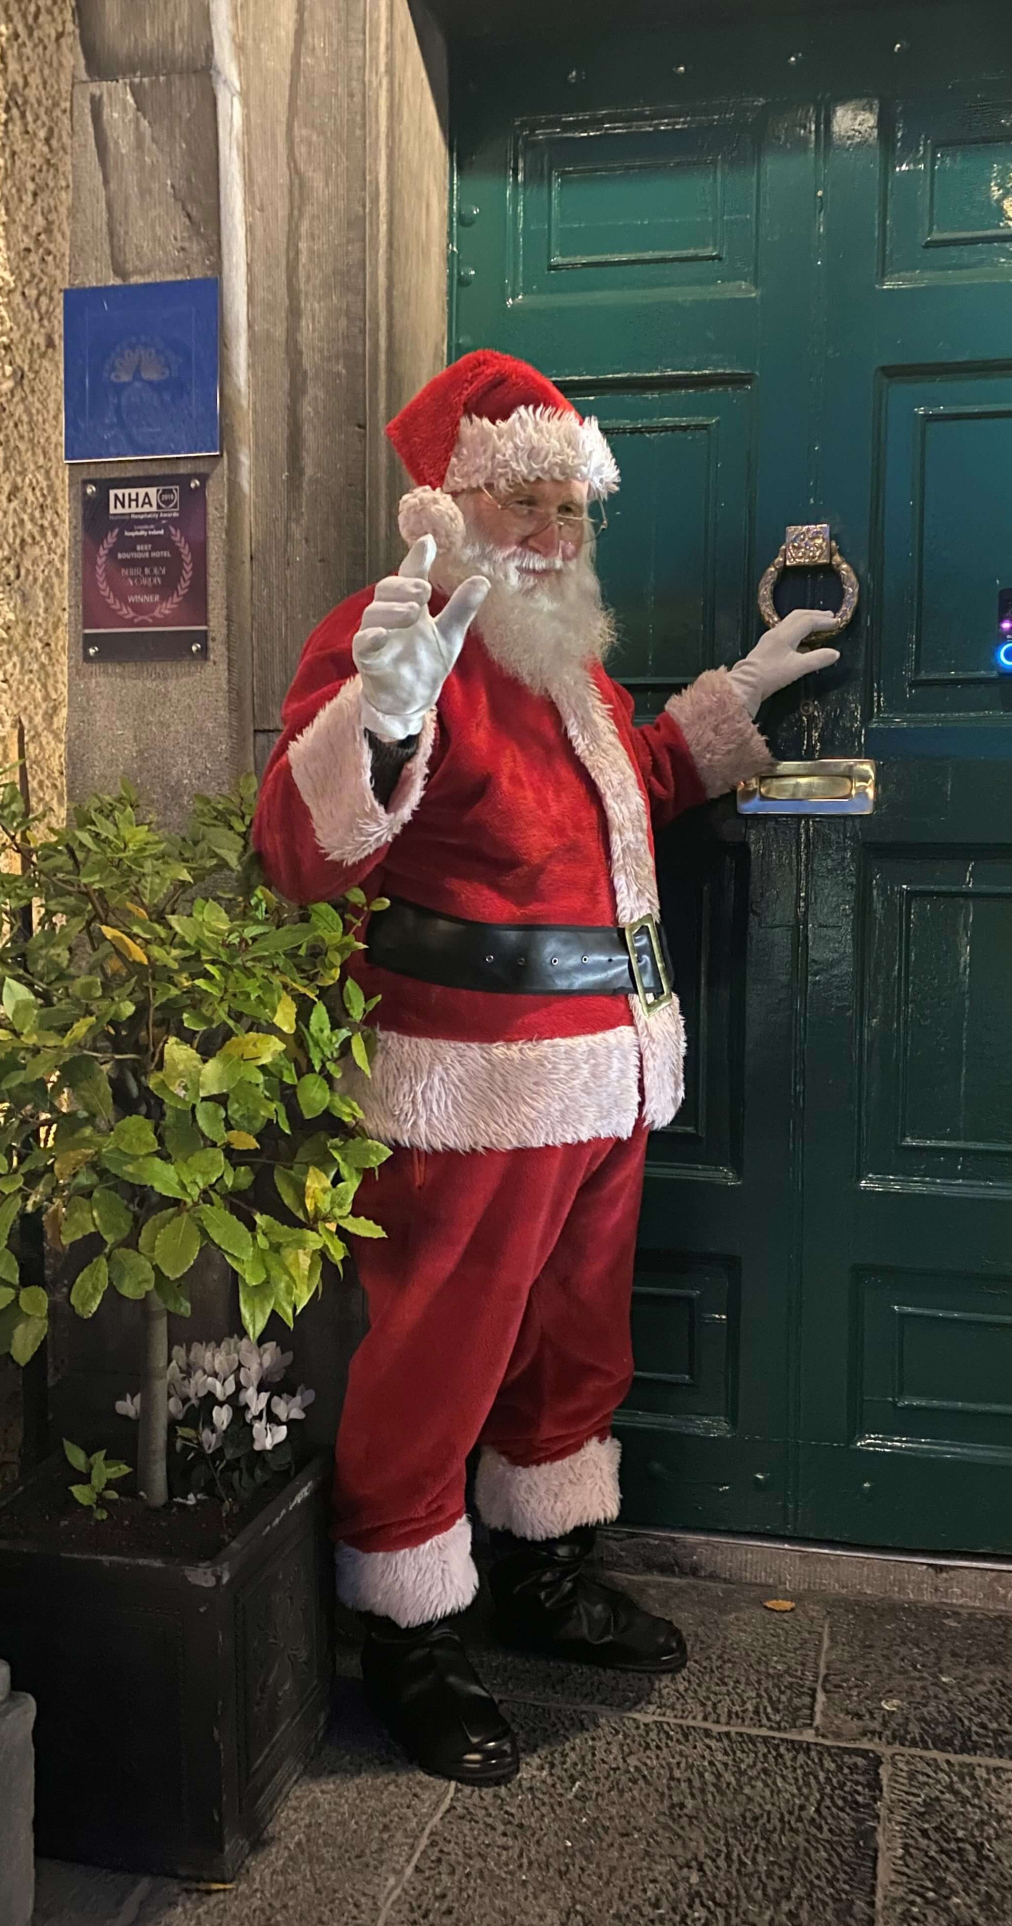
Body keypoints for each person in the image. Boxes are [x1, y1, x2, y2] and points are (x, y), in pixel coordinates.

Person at [253, 350, 837, 1785]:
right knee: (437, 1362)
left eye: (575, 508)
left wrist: (727, 707)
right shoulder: (394, 638)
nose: (561, 536)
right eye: (531, 503)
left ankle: (544, 1574)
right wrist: (382, 716)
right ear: (448, 506)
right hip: (470, 1083)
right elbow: (297, 851)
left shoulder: (559, 655)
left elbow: (613, 796)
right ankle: (409, 1638)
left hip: (603, 1074)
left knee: (576, 1346)